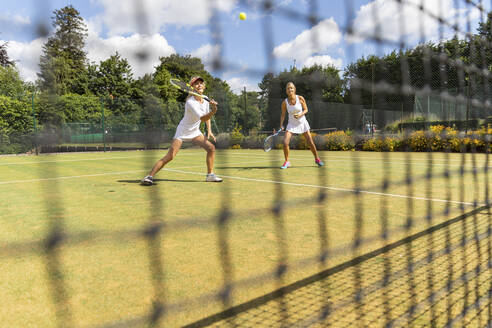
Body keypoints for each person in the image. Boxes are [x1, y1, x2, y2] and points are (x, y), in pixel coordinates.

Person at [141, 76, 222, 185]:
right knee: (170, 156)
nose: (199, 85)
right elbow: (203, 118)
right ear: (191, 88)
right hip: (183, 131)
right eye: (196, 83)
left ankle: (210, 175)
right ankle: (149, 177)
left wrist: (209, 130)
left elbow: (207, 116)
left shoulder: (206, 98)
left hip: (195, 132)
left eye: (201, 83)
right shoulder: (190, 102)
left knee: (211, 148)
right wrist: (214, 110)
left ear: (204, 86)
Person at [278, 81, 324, 169]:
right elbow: (283, 114)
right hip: (291, 124)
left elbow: (306, 109)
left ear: (294, 89)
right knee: (285, 143)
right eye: (288, 88)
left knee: (310, 142)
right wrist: (281, 125)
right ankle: (287, 161)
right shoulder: (285, 103)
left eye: (291, 88)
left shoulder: (300, 98)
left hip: (302, 122)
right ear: (286, 91)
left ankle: (317, 159)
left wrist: (300, 115)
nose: (290, 89)